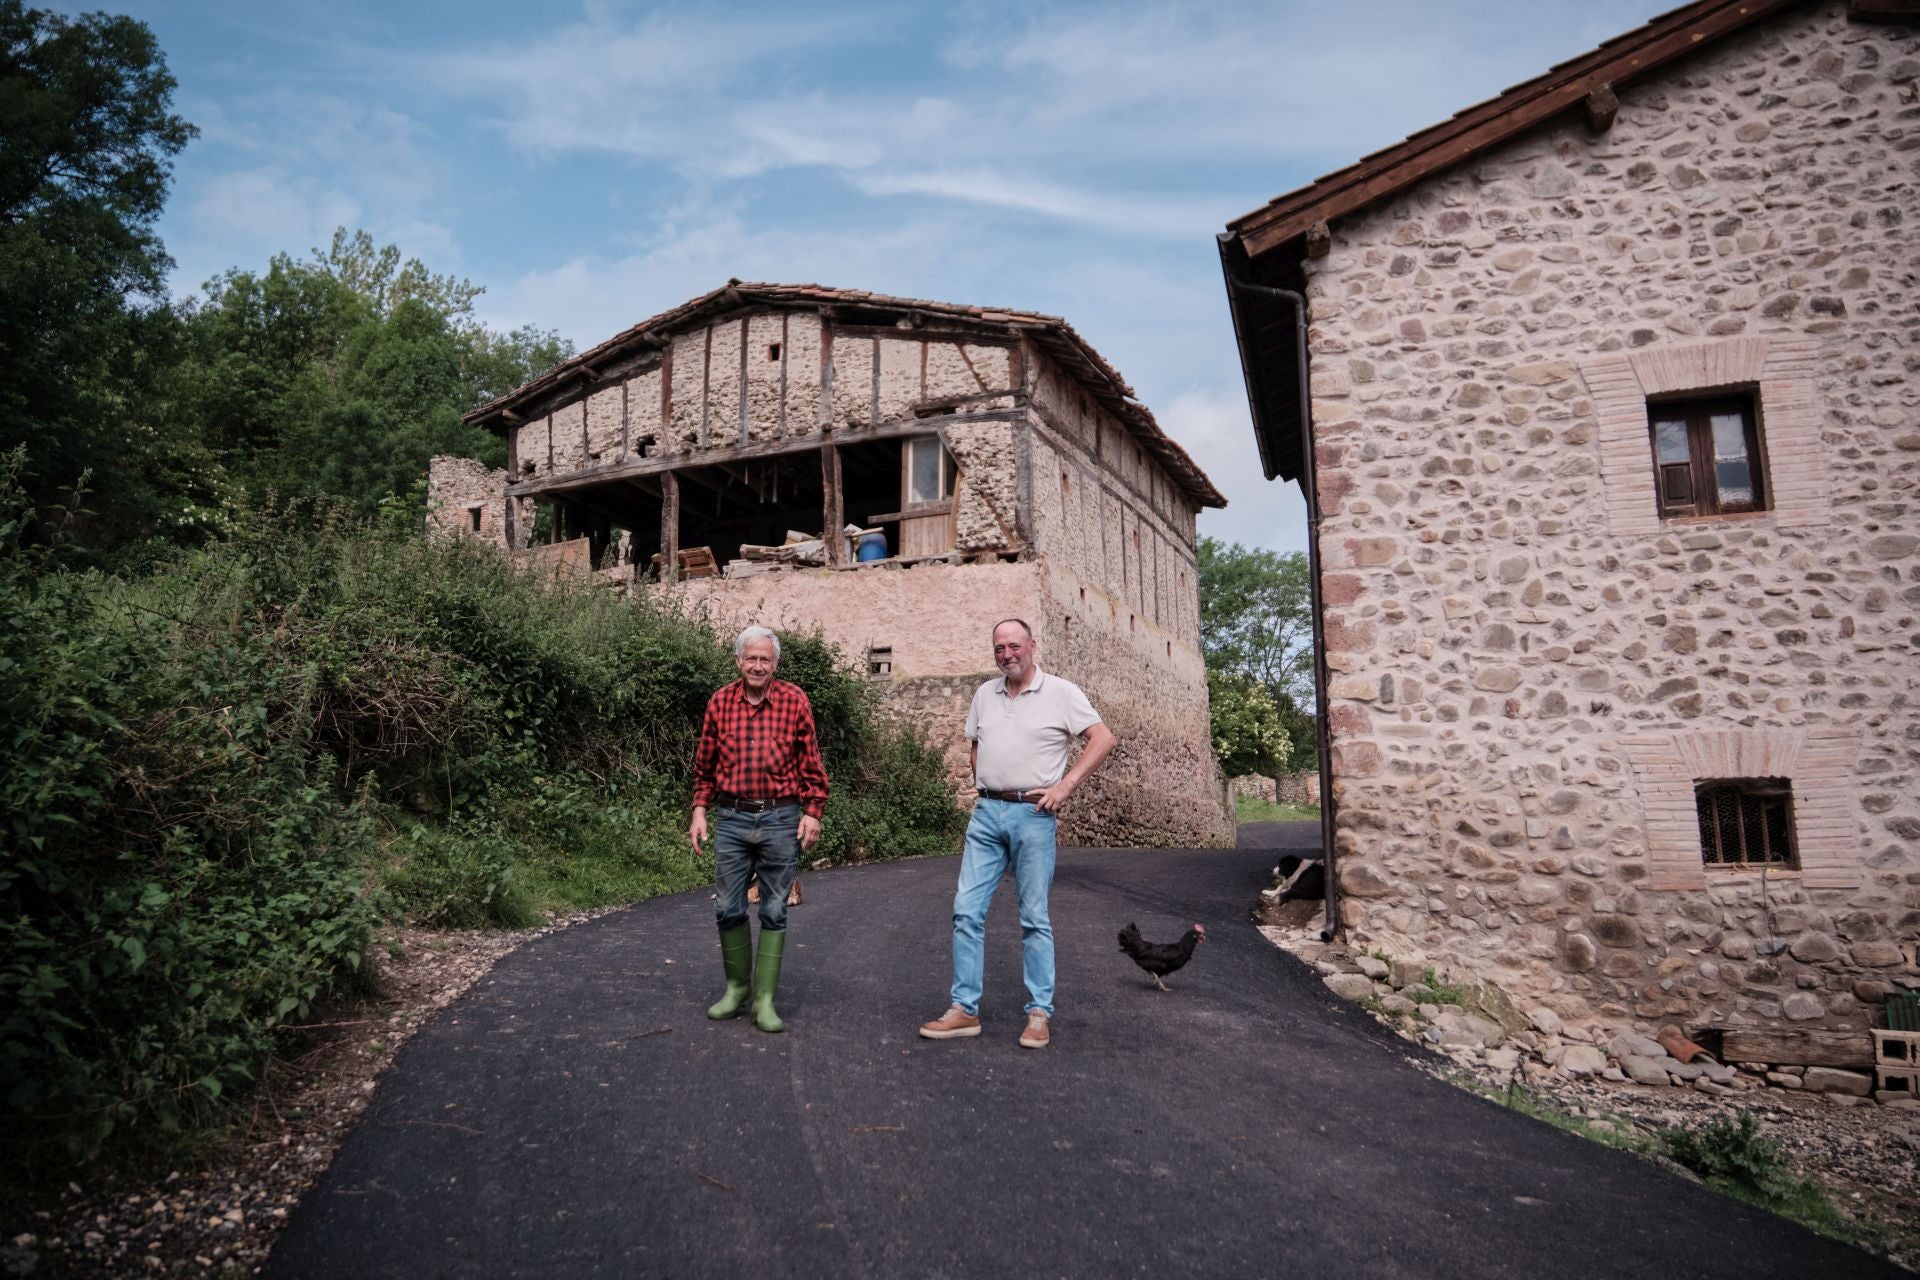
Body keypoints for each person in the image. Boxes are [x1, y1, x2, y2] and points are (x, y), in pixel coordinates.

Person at [919, 619, 1116, 1050]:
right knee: (966, 910)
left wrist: (1065, 786)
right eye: (999, 648)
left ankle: (1039, 1013)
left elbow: (1102, 738)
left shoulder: (1060, 692)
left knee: (1033, 918)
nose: (1007, 654)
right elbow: (974, 744)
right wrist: (984, 782)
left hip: (1034, 814)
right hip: (987, 813)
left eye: (1014, 646)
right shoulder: (983, 695)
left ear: (1031, 645)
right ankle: (964, 1010)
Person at [690, 625, 828, 1033]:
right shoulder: (719, 703)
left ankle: (764, 1000)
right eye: (751, 658)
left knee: (773, 908)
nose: (757, 665)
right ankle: (737, 990)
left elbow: (812, 764)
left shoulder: (795, 700)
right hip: (731, 818)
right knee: (727, 906)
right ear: (738, 661)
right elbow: (704, 768)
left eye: (765, 659)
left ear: (776, 663)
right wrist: (699, 812)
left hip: (781, 817)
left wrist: (813, 811)